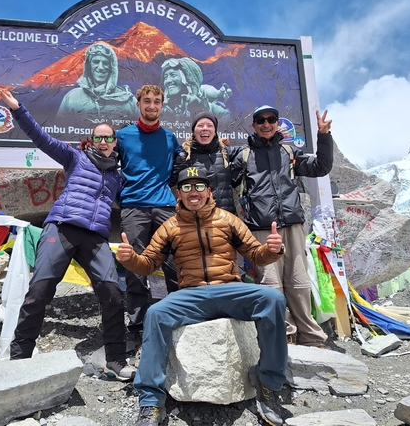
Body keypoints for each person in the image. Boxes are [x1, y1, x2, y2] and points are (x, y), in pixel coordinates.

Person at [116, 167, 288, 426]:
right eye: (187, 187)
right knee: (156, 313)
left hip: (230, 289)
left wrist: (273, 250)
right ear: (178, 194)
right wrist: (130, 259)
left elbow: (255, 254)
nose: (193, 192)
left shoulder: (228, 220)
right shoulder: (169, 226)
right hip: (192, 294)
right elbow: (148, 263)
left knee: (272, 299)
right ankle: (151, 401)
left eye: (198, 187)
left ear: (209, 191)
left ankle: (268, 381)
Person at [0, 88, 136, 381]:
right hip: (61, 228)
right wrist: (17, 108)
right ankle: (19, 360)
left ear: (115, 142)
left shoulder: (117, 177)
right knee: (39, 292)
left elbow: (141, 190)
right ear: (92, 140)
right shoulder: (75, 157)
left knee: (112, 293)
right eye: (98, 136)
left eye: (109, 137)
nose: (103, 141)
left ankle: (116, 359)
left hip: (95, 238)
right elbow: (41, 138)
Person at [232, 104, 333, 348]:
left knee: (298, 282)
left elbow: (321, 167)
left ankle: (310, 335)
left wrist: (323, 135)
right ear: (254, 125)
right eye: (261, 120)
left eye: (271, 119)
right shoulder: (243, 156)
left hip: (292, 225)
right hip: (261, 229)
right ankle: (283, 332)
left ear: (277, 124)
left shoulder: (289, 152)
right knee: (270, 284)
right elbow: (224, 181)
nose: (266, 124)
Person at [116, 85, 182, 343]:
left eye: (156, 101)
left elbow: (186, 160)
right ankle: (137, 325)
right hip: (133, 207)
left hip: (165, 206)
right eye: (147, 101)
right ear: (138, 104)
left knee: (175, 262)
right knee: (135, 267)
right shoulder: (122, 136)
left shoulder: (169, 137)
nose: (151, 106)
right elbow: (105, 161)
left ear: (162, 106)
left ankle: (178, 316)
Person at [170, 111, 239, 214]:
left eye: (210, 125)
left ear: (215, 131)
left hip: (227, 218)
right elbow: (168, 184)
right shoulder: (184, 156)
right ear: (194, 131)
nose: (205, 128)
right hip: (198, 221)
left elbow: (247, 151)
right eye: (200, 125)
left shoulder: (225, 152)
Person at [57, 42, 136, 122]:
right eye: (96, 62)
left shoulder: (128, 100)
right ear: (88, 65)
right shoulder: (71, 98)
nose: (100, 67)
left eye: (105, 63)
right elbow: (59, 127)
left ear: (112, 67)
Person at [161, 57, 231, 121]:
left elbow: (228, 121)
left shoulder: (215, 111)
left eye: (173, 75)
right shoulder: (159, 109)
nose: (167, 81)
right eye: (165, 77)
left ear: (188, 79)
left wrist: (201, 110)